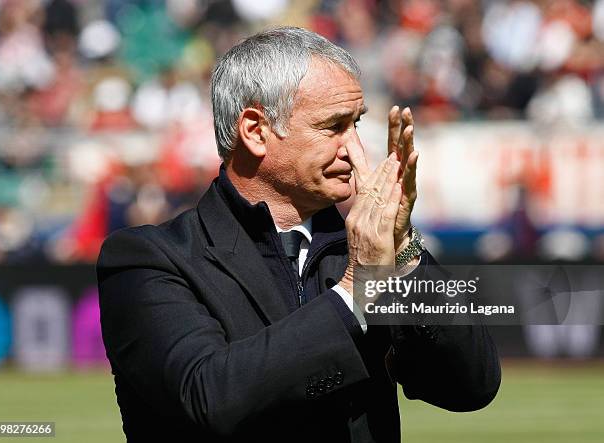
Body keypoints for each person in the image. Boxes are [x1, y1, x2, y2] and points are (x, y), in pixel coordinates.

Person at [97, 27, 500, 442]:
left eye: (356, 125)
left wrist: (403, 250)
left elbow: (471, 386)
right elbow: (208, 399)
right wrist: (355, 293)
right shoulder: (148, 258)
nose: (355, 149)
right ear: (255, 131)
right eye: (334, 127)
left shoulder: (366, 251)